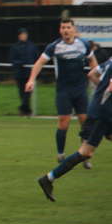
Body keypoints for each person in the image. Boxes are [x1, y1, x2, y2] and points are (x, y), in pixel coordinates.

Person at [37, 58, 112, 201]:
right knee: (86, 152)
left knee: (86, 152)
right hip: (105, 114)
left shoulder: (110, 61)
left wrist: (101, 89)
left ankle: (48, 179)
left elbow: (91, 74)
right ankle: (48, 179)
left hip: (98, 110)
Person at [25, 18, 97, 163]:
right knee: (64, 122)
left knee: (85, 122)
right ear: (60, 30)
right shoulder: (54, 46)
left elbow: (93, 62)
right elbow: (39, 62)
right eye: (63, 27)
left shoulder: (83, 45)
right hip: (63, 90)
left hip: (80, 89)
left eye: (68, 27)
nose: (66, 30)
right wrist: (31, 79)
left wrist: (97, 79)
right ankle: (60, 154)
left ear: (74, 30)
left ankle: (85, 155)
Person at [10, 28, 38, 116]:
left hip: (29, 73)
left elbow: (37, 58)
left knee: (28, 92)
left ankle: (23, 108)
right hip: (19, 73)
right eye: (22, 34)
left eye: (25, 34)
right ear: (19, 36)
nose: (24, 36)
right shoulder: (14, 47)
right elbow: (12, 59)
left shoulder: (32, 46)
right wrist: (20, 63)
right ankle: (26, 110)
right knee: (22, 92)